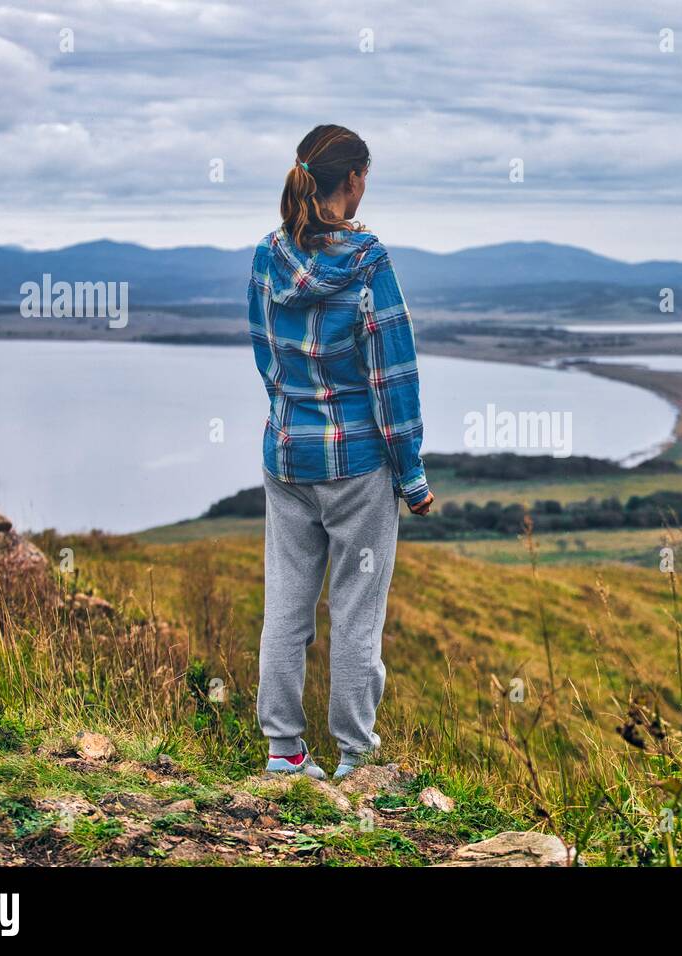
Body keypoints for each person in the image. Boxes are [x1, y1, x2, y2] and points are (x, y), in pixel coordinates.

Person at [246, 124, 433, 780]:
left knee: (286, 606)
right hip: (356, 467)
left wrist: (289, 418)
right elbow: (393, 374)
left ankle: (284, 753)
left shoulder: (268, 256)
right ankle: (355, 760)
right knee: (357, 610)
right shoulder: (368, 260)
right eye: (364, 179)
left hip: (288, 456)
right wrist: (411, 475)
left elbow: (267, 354)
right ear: (352, 183)